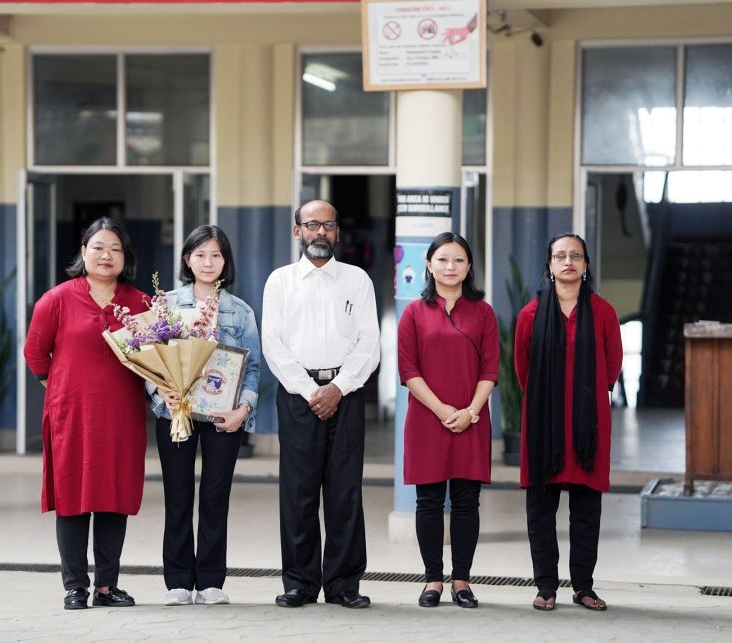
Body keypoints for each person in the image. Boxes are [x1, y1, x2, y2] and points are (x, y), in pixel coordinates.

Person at [23, 217, 148, 610]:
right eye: (98, 247)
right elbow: (34, 354)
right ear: (83, 253)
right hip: (71, 415)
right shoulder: (56, 299)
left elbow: (157, 359)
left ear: (125, 256)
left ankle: (107, 587)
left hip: (122, 416)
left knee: (114, 495)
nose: (106, 255)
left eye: (114, 249)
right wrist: (62, 387)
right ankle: (75, 586)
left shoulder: (142, 303)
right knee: (74, 497)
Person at [262, 200, 380, 609]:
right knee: (298, 492)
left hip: (345, 396)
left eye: (328, 225)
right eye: (312, 224)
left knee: (345, 492)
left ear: (337, 232)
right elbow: (273, 345)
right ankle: (299, 582)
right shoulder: (280, 281)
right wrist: (309, 390)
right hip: (297, 397)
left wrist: (339, 388)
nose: (320, 232)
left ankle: (344, 584)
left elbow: (370, 343)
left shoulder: (357, 280)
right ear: (297, 231)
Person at [147, 225, 260, 607]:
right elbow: (147, 360)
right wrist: (158, 387)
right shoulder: (165, 305)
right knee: (177, 496)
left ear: (226, 261)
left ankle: (211, 580)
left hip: (222, 417)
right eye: (200, 255)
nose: (208, 262)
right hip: (175, 412)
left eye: (216, 255)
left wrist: (242, 409)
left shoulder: (240, 311)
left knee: (215, 497)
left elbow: (254, 368)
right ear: (186, 260)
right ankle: (178, 580)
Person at [514, 233, 622, 612]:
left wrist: (585, 399)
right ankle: (546, 587)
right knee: (540, 511)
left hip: (588, 427)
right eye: (560, 255)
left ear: (586, 265)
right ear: (550, 265)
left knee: (586, 512)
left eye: (575, 255)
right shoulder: (530, 313)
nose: (568, 261)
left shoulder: (604, 312)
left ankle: (584, 587)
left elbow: (613, 364)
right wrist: (550, 404)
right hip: (544, 427)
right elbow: (522, 368)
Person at [397, 232, 499, 609]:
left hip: (472, 419)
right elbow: (408, 370)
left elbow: (491, 368)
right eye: (442, 259)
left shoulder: (483, 312)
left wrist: (471, 411)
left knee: (466, 502)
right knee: (428, 502)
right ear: (428, 264)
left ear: (469, 266)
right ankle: (432, 580)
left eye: (458, 260)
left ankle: (462, 580)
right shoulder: (413, 313)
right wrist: (442, 411)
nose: (450, 267)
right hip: (428, 419)